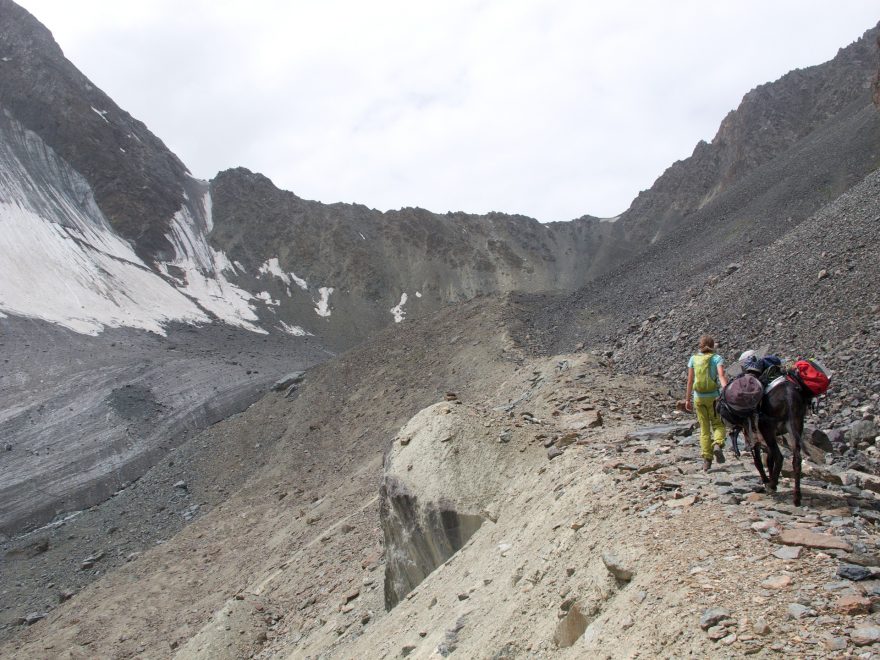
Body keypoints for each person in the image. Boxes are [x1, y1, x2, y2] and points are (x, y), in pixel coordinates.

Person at [684, 335, 728, 471]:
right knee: (718, 424)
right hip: (714, 397)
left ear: (700, 345)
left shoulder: (693, 359)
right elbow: (721, 376)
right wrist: (726, 392)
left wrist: (687, 399)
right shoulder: (717, 358)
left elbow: (690, 381)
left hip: (698, 398)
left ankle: (707, 461)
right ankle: (717, 444)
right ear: (713, 345)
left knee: (704, 429)